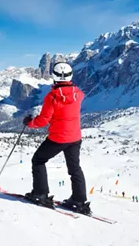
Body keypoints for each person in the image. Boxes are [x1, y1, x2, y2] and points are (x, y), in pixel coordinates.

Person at [22, 62, 89, 213]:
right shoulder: (78, 93)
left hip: (58, 138)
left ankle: (41, 194)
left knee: (38, 160)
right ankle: (79, 201)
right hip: (75, 137)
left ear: (54, 76)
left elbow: (43, 121)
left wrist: (29, 123)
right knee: (75, 168)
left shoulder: (52, 97)